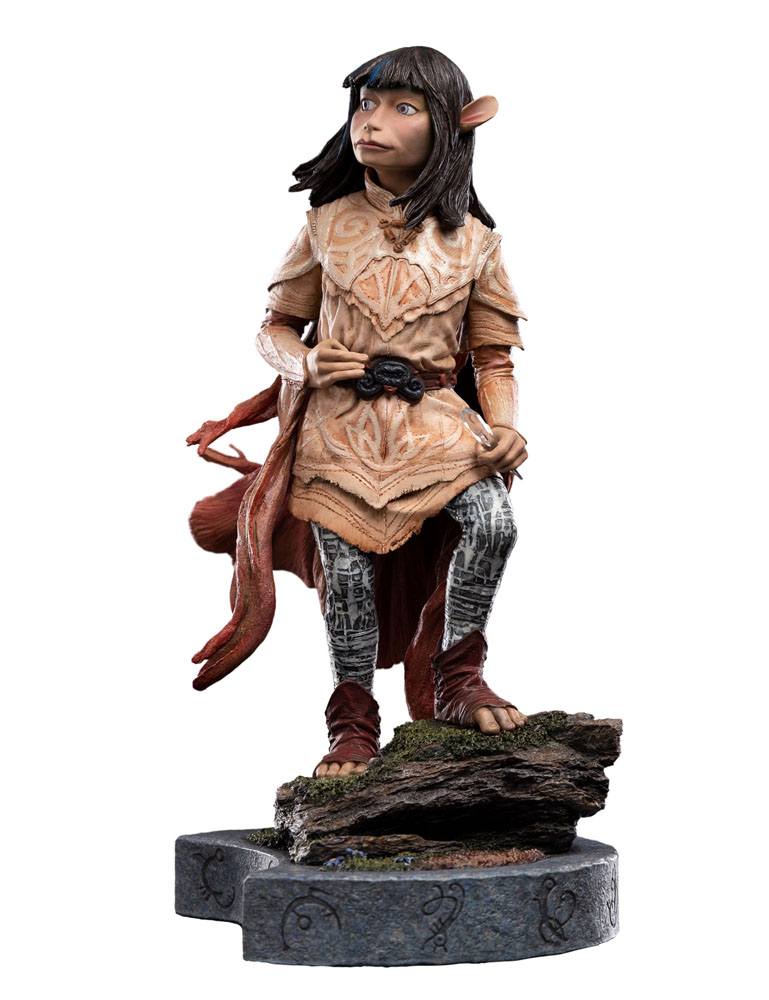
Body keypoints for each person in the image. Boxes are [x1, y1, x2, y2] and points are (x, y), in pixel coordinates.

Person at [187, 46, 529, 779]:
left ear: (453, 125)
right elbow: (276, 329)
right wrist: (305, 363)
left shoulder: (476, 242)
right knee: (344, 569)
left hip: (435, 422)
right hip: (336, 430)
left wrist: (504, 427)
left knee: (493, 522)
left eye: (401, 108)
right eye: (365, 104)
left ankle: (459, 675)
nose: (370, 122)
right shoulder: (325, 224)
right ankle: (351, 722)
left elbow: (494, 356)